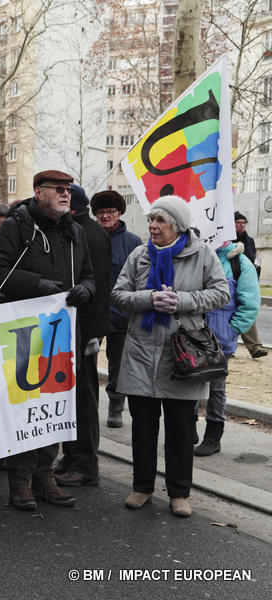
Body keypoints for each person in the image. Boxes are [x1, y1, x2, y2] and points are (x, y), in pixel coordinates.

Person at [0, 169, 95, 511]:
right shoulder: (16, 225)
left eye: (68, 189)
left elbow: (88, 275)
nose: (65, 194)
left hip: (61, 335)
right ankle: (20, 482)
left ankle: (45, 476)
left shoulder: (74, 231)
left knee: (54, 409)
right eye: (58, 189)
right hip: (23, 333)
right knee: (26, 409)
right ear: (38, 191)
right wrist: (37, 285)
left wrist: (87, 290)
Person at [112, 195, 228, 518]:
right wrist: (149, 297)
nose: (152, 226)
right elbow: (118, 294)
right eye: (151, 220)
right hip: (140, 353)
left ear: (177, 225)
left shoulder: (202, 254)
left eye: (160, 221)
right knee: (143, 428)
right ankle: (142, 487)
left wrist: (182, 301)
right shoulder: (139, 255)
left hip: (183, 355)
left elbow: (221, 292)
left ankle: (179, 493)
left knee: (179, 429)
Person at [55, 184, 111, 488]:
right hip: (74, 329)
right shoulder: (79, 229)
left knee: (83, 399)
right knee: (71, 396)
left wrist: (92, 335)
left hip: (83, 331)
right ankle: (73, 456)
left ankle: (86, 462)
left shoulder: (86, 233)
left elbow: (99, 287)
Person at [194, 240, 260, 456]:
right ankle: (187, 430)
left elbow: (250, 305)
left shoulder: (240, 263)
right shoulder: (197, 254)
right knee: (188, 383)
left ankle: (213, 437)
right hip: (191, 335)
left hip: (220, 340)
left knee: (216, 389)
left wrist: (231, 330)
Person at [90, 190, 143, 428]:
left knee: (118, 365)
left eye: (110, 212)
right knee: (86, 361)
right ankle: (88, 405)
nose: (105, 216)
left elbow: (140, 278)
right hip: (92, 312)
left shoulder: (133, 242)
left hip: (122, 315)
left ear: (119, 213)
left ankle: (115, 407)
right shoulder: (87, 236)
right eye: (101, 212)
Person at [233, 211, 266, 359]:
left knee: (247, 312)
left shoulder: (250, 241)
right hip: (230, 278)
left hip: (246, 280)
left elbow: (252, 259)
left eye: (244, 223)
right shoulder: (227, 239)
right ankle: (225, 346)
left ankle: (255, 348)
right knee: (226, 313)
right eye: (238, 222)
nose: (242, 225)